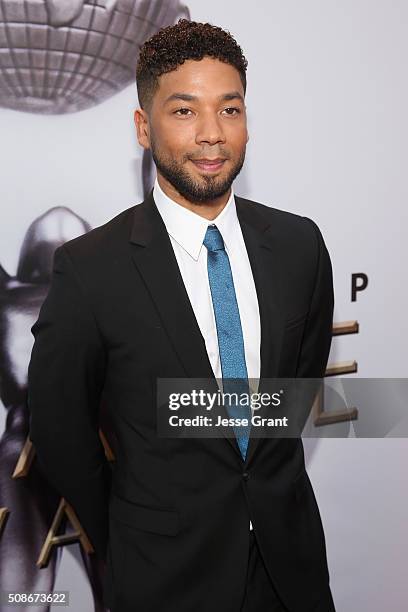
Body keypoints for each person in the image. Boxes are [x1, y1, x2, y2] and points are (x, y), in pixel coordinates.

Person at [27, 19, 335, 612]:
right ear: (143, 127)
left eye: (230, 109)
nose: (212, 135)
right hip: (163, 579)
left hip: (290, 570)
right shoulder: (91, 269)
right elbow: (60, 432)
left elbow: (297, 393)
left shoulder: (300, 246)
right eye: (185, 111)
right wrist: (131, 526)